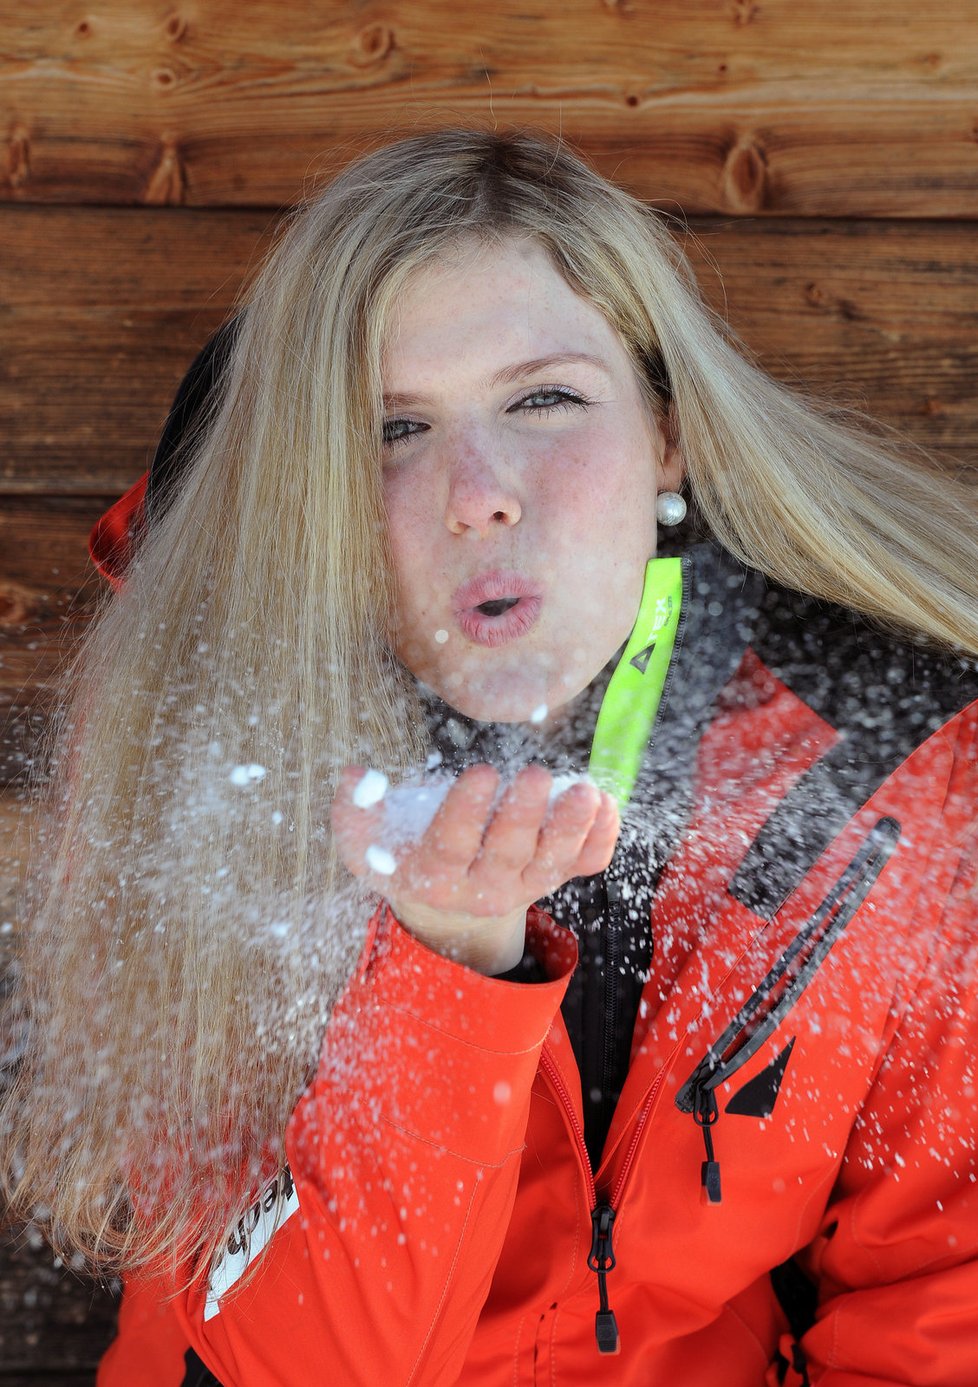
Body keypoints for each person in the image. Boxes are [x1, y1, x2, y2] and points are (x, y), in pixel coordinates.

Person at [2, 127, 976, 1387]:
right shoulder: (205, 741)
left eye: (545, 399)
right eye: (394, 428)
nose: (479, 491)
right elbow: (283, 1367)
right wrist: (445, 971)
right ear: (316, 480)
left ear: (667, 436)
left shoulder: (888, 756)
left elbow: (941, 1291)